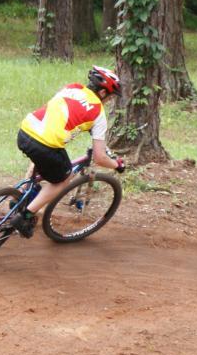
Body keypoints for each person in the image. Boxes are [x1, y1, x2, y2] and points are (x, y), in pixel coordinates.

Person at [12, 65, 125, 236]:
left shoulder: (72, 87)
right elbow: (100, 157)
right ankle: (25, 216)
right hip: (46, 145)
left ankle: (21, 194)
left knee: (42, 152)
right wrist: (116, 165)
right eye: (110, 97)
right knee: (62, 180)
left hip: (26, 130)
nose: (109, 101)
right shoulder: (98, 113)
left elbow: (66, 111)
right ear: (103, 93)